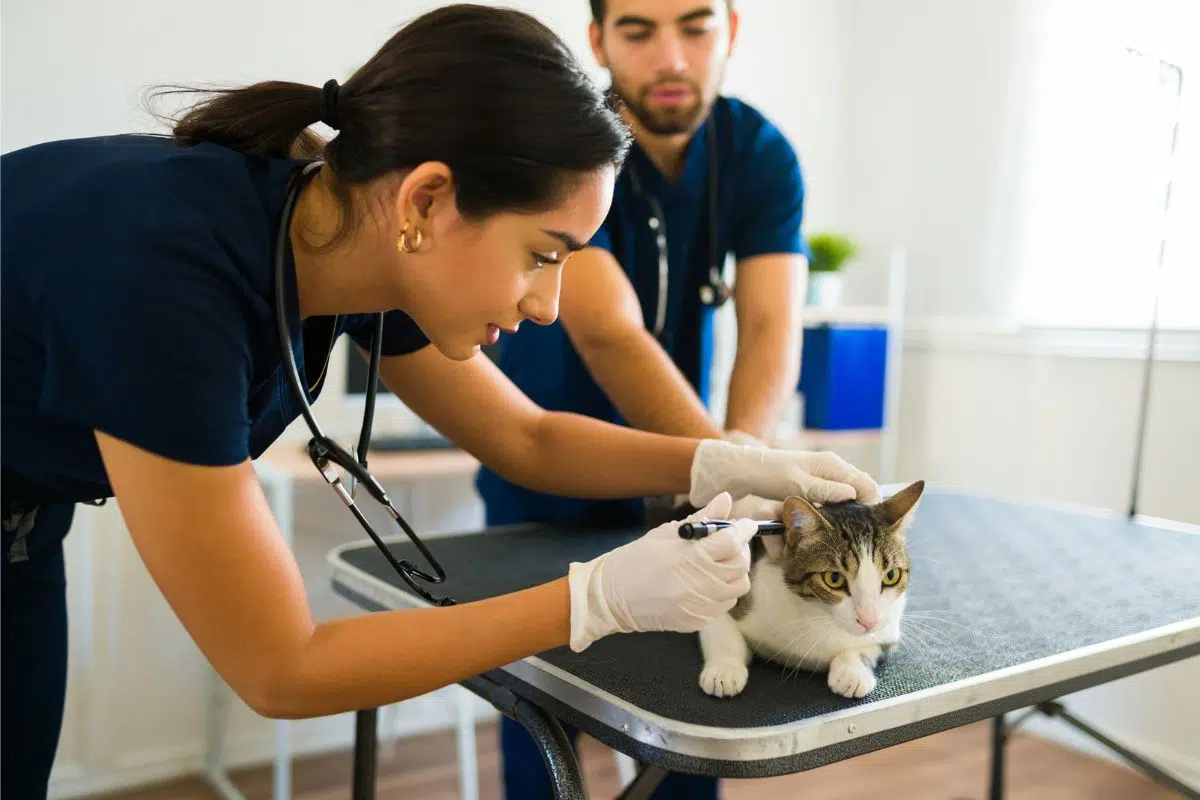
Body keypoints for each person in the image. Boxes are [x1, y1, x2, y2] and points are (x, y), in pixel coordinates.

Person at [0, 5, 880, 797]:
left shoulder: (352, 243)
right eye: (543, 254)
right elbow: (282, 667)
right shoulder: (167, 278)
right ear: (426, 199)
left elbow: (525, 437)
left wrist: (719, 460)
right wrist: (596, 600)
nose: (548, 305)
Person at [476, 1, 854, 798]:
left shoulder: (757, 154)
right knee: (544, 730)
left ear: (733, 30)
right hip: (545, 478)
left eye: (694, 26)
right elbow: (608, 330)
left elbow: (771, 323)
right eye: (639, 32)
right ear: (598, 41)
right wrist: (732, 471)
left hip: (689, 491)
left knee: (689, 726)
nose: (671, 57)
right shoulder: (565, 147)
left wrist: (745, 459)